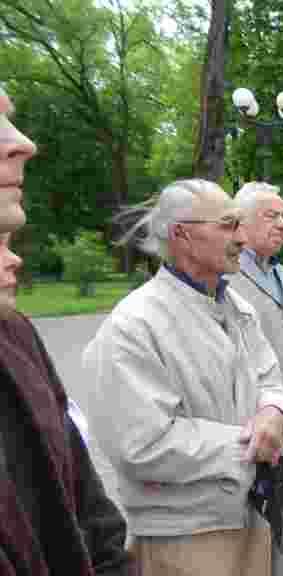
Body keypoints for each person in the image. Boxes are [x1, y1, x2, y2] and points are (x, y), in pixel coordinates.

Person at [82, 178, 283, 576]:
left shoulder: (237, 307)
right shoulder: (133, 326)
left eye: (239, 225)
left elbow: (270, 378)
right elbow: (142, 445)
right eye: (228, 225)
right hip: (184, 538)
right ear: (181, 235)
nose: (241, 238)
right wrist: (253, 444)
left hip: (251, 520)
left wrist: (273, 412)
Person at [0, 84, 136, 575]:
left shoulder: (15, 334)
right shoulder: (138, 320)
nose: (24, 143)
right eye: (224, 223)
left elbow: (91, 515)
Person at [227, 181, 283, 576]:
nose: (282, 224)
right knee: (253, 536)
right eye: (271, 215)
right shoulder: (226, 280)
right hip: (253, 431)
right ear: (240, 224)